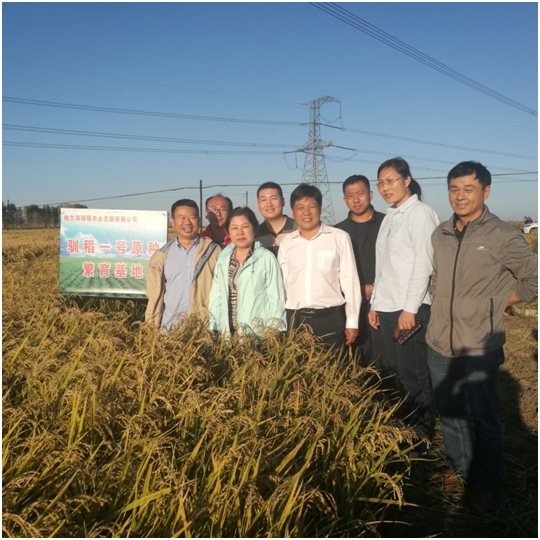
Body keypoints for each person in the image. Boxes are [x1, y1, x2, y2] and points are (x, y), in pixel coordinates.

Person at [426, 161, 538, 512]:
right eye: (454, 189)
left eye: (468, 189)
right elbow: (436, 279)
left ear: (485, 192)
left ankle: (484, 485)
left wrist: (501, 301)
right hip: (439, 340)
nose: (460, 196)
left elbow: (534, 279)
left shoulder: (502, 235)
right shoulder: (440, 233)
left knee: (485, 416)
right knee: (449, 411)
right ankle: (459, 470)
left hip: (480, 343)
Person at [368, 158, 440, 448]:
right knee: (399, 373)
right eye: (381, 183)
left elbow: (424, 263)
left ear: (407, 180)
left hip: (409, 309)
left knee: (414, 375)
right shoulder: (391, 215)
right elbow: (383, 266)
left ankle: (420, 440)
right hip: (388, 306)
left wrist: (410, 309)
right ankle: (406, 431)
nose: (385, 187)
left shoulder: (420, 213)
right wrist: (375, 304)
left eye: (391, 180)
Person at [278, 183, 360, 350]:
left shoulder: (339, 237)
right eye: (300, 207)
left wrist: (352, 321)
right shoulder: (286, 243)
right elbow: (282, 285)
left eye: (312, 206)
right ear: (292, 211)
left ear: (320, 208)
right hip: (296, 320)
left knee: (333, 365)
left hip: (330, 319)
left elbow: (350, 281)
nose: (306, 212)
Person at [335, 174, 389, 372]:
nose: (356, 199)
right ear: (344, 200)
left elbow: (398, 263)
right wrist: (357, 290)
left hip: (385, 302)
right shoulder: (338, 232)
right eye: (350, 195)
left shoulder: (387, 223)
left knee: (387, 359)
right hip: (351, 306)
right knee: (357, 360)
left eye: (360, 193)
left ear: (370, 194)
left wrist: (376, 287)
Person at [208, 206, 286, 336]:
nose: (240, 232)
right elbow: (217, 295)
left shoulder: (265, 258)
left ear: (254, 229)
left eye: (245, 227)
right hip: (227, 332)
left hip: (257, 332)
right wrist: (214, 325)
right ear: (228, 232)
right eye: (234, 228)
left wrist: (275, 329)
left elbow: (276, 297)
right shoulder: (223, 259)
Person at [145, 199, 221, 330]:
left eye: (192, 217)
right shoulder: (160, 256)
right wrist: (150, 327)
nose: (187, 222)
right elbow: (153, 297)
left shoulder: (213, 251)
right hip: (168, 330)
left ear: (198, 220)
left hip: (202, 331)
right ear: (172, 222)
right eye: (181, 217)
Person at [256, 181, 296, 256]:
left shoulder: (299, 229)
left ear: (283, 202)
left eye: (274, 198)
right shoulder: (255, 235)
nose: (269, 204)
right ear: (258, 205)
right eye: (263, 200)